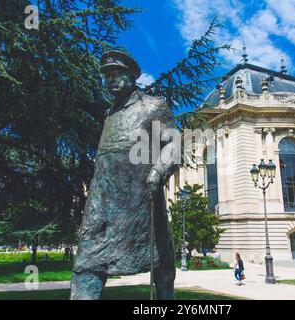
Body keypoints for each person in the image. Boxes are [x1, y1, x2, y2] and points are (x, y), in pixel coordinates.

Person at [71, 50, 177, 300]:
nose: (111, 80)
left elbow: (174, 144)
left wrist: (158, 171)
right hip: (101, 203)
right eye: (107, 75)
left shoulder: (153, 106)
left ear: (132, 76)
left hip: (141, 198)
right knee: (86, 263)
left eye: (117, 74)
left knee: (162, 264)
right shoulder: (109, 114)